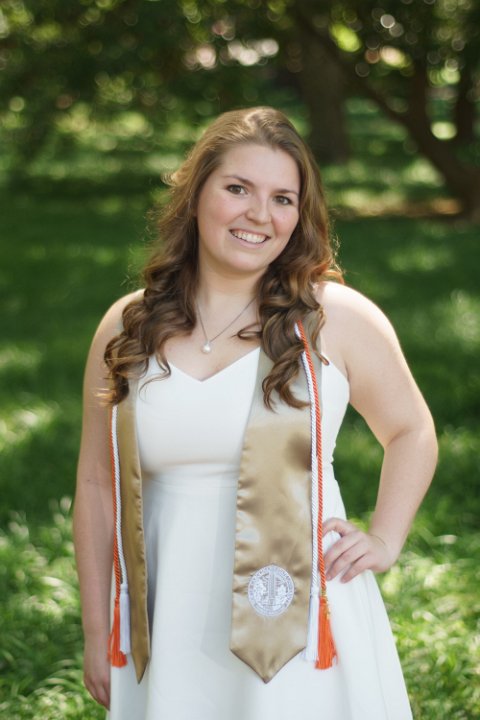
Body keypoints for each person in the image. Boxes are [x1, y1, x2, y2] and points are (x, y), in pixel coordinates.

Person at [73, 106, 437, 720]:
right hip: (168, 617)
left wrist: (384, 537)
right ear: (196, 195)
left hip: (299, 621)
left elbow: (412, 430)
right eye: (238, 189)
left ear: (299, 215)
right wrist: (95, 630)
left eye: (282, 199)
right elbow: (95, 484)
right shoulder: (128, 327)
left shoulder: (333, 319)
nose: (259, 215)